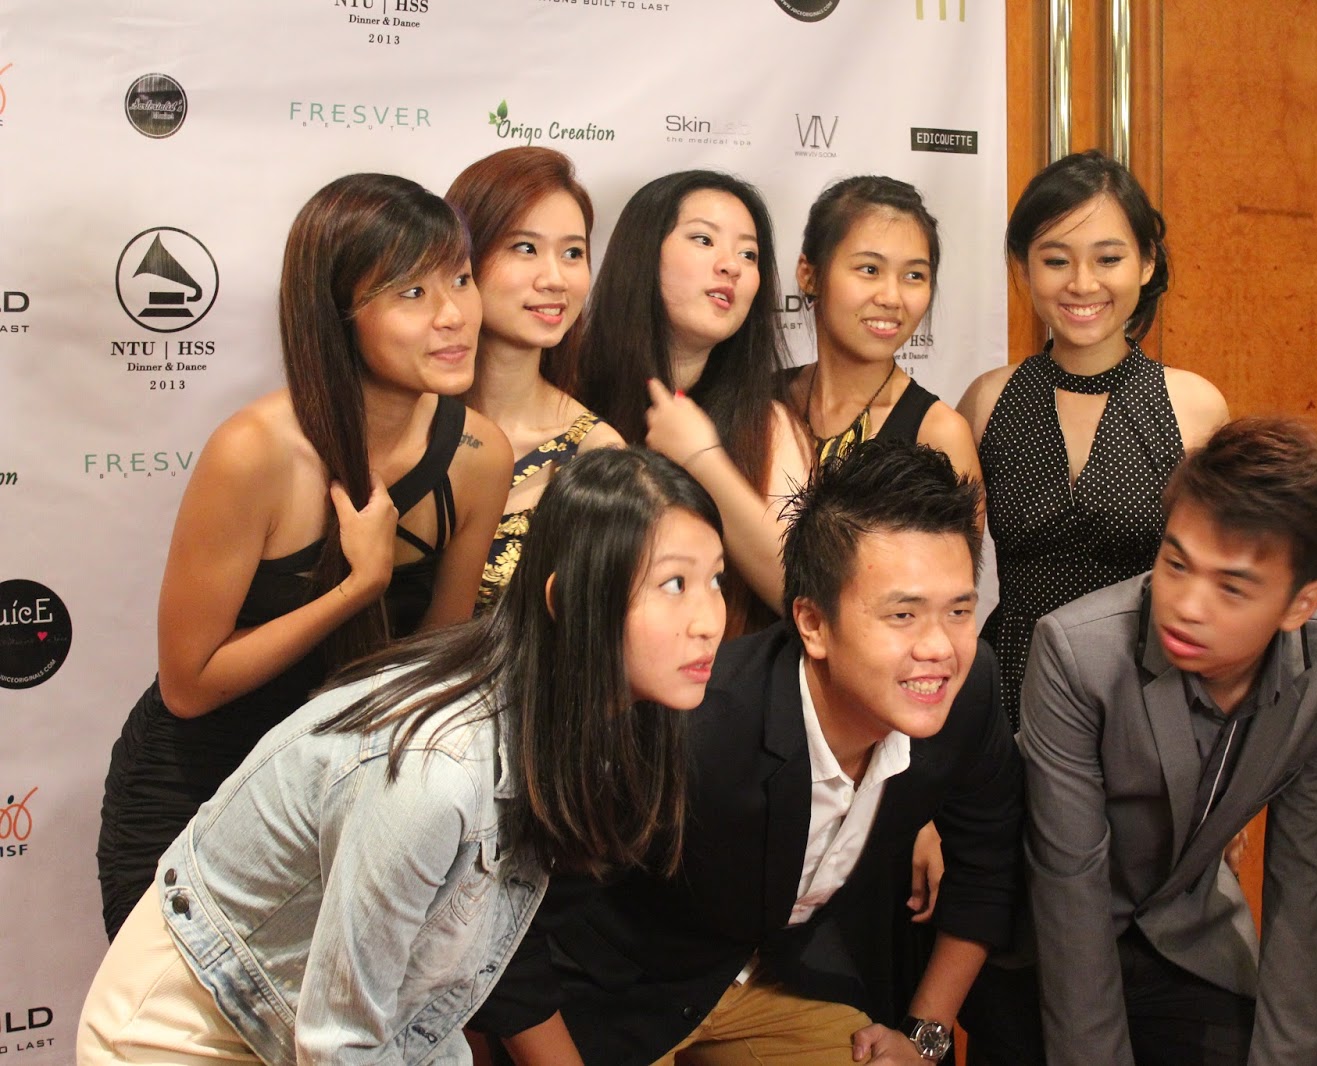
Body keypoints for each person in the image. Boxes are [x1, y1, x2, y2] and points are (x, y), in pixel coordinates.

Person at [77, 447, 727, 1065]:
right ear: (568, 600)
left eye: (715, 579)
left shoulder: (578, 728)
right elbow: (340, 1044)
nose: (709, 620)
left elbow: (419, 1008)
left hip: (306, 1027)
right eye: (674, 584)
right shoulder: (437, 772)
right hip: (193, 1032)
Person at [476, 439, 1023, 1066]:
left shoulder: (967, 689)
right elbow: (509, 933)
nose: (940, 648)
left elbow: (988, 859)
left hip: (783, 976)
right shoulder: (691, 725)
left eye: (959, 611)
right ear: (813, 623)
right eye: (903, 615)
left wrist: (926, 1037)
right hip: (620, 993)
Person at [94, 173, 513, 940]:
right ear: (337, 312)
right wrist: (357, 587)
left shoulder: (480, 456)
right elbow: (189, 685)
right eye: (411, 293)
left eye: (459, 279)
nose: (453, 314)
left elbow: (433, 670)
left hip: (343, 805)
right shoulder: (254, 451)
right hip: (198, 795)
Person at [1022, 417, 1317, 1065]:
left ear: (1300, 605)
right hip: (1045, 944)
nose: (1187, 605)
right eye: (1176, 564)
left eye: (1232, 587)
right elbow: (1070, 888)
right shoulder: (1077, 654)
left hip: (1187, 937)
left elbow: (1308, 882)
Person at [958, 149, 1229, 733]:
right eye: (1056, 260)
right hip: (1016, 688)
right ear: (1024, 266)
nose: (1082, 284)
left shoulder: (1195, 406)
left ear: (1147, 262)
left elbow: (1219, 578)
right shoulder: (986, 401)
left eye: (1108, 258)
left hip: (1149, 697)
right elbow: (945, 567)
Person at [578, 170, 810, 634]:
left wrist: (702, 459)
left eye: (749, 254)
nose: (731, 266)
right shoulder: (569, 398)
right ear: (644, 253)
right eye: (704, 240)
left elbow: (803, 593)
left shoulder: (770, 425)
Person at [446, 147, 624, 607]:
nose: (555, 278)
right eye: (525, 248)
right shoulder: (398, 418)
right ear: (463, 256)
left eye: (573, 253)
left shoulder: (595, 454)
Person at [786, 175, 979, 483]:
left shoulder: (939, 433)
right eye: (870, 269)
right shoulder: (764, 399)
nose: (892, 298)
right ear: (809, 276)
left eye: (914, 275)